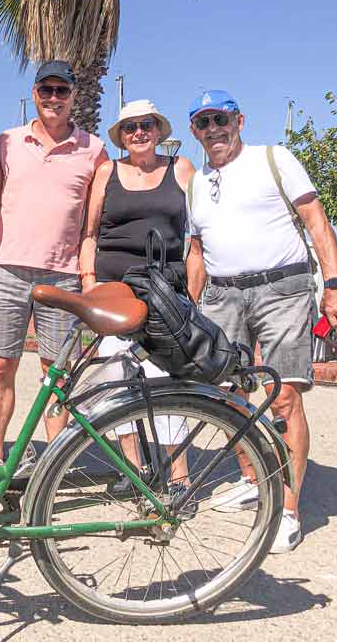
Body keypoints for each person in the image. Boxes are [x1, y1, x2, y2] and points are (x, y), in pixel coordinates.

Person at [185, 89, 337, 553]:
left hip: (282, 288)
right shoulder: (198, 182)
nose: (212, 129)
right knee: (225, 393)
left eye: (219, 119)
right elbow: (197, 252)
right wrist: (188, 307)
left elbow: (315, 219)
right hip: (221, 294)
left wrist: (335, 283)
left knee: (283, 400)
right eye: (202, 123)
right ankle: (250, 476)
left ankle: (286, 508)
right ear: (194, 132)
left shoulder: (273, 158)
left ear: (239, 120)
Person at [0, 60, 109, 465]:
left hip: (62, 274)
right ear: (34, 94)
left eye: (62, 91)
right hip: (9, 269)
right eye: (46, 90)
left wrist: (89, 274)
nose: (54, 98)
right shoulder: (6, 142)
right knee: (2, 365)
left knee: (57, 372)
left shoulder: (95, 150)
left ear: (74, 96)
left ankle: (55, 460)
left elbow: (94, 224)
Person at [87, 99, 196, 486]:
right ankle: (133, 470)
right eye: (130, 127)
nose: (139, 133)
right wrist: (88, 282)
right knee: (115, 376)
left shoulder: (180, 169)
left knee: (163, 378)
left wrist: (194, 295)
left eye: (146, 125)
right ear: (122, 136)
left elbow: (197, 237)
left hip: (164, 288)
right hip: (113, 287)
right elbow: (89, 233)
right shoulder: (107, 172)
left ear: (157, 129)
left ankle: (179, 476)